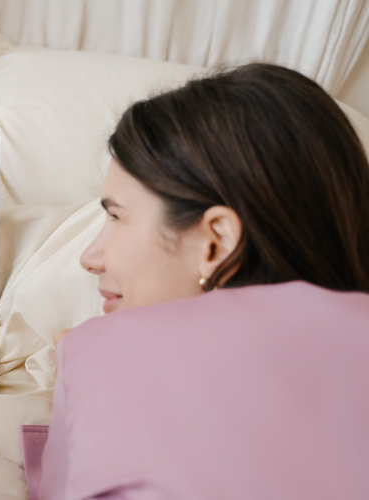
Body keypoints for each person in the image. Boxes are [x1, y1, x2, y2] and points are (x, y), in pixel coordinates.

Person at [37, 64, 369, 499]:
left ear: (217, 242)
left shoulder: (100, 355)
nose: (89, 258)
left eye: (116, 216)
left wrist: (89, 368)